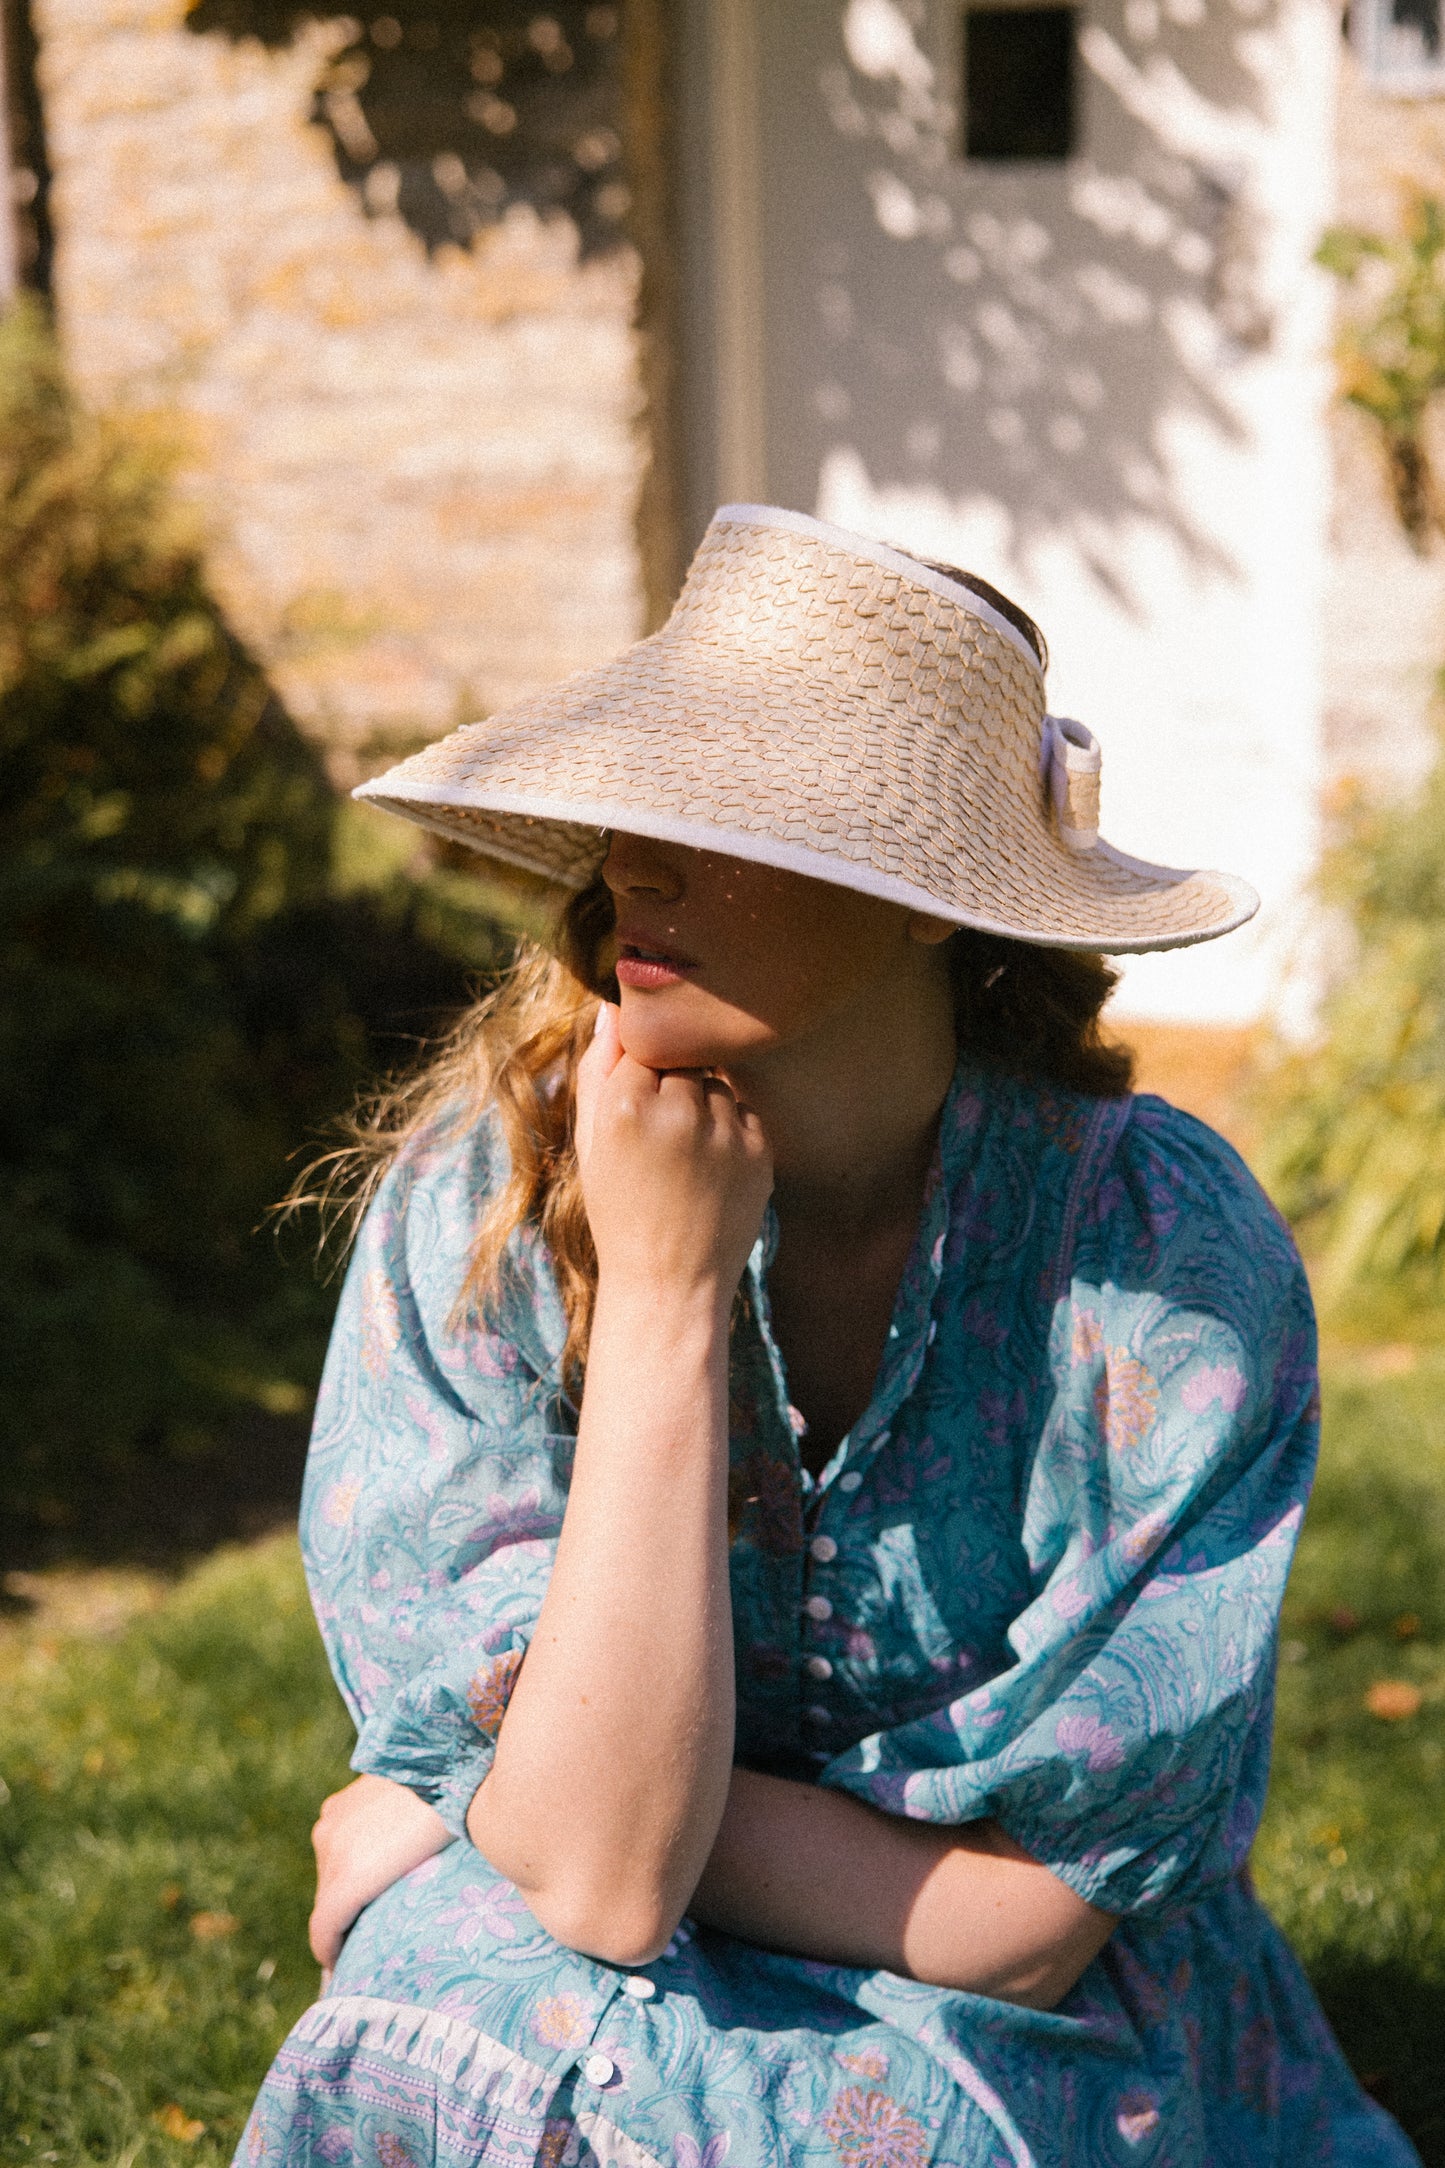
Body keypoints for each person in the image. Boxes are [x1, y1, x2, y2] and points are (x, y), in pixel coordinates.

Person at [237, 507, 1419, 2167]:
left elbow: (1023, 1927)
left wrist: (483, 1806)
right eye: (638, 806)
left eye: (731, 819)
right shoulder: (484, 1206)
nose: (634, 867)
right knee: (425, 2001)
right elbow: (595, 1890)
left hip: (1015, 2017)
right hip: (600, 1925)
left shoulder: (1161, 1267)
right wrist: (658, 1300)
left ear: (940, 902)